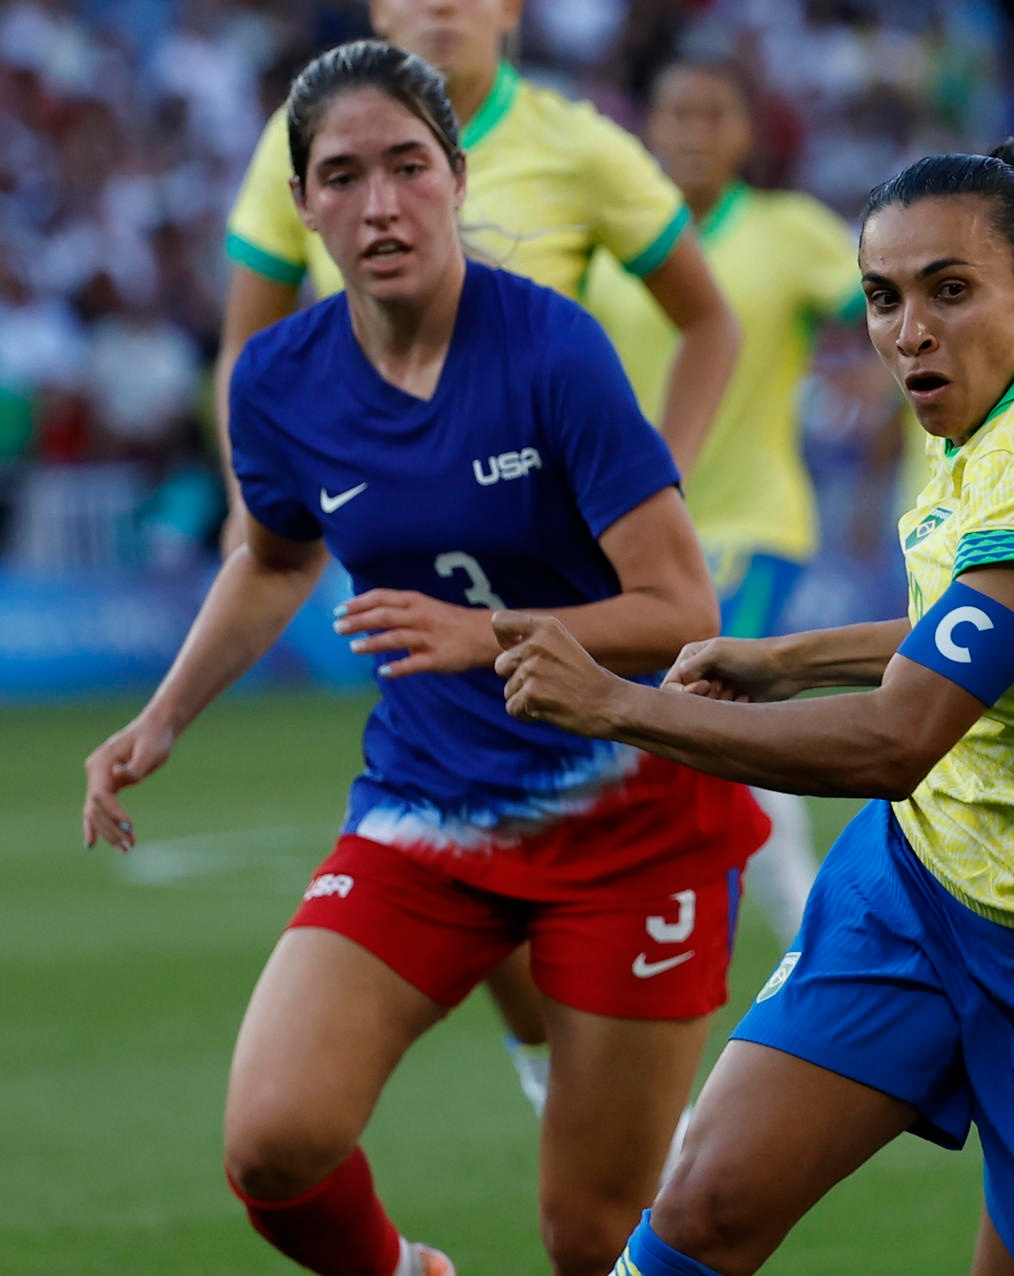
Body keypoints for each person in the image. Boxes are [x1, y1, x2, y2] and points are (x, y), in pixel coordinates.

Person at [490, 142, 1014, 1276]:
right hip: (925, 887)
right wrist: (790, 658)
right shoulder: (999, 421)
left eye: (948, 290)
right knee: (701, 1208)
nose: (909, 329)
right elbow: (988, 640)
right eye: (883, 297)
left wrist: (615, 704)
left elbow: (902, 735)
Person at [80, 42, 767, 1276]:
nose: (380, 203)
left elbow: (679, 602)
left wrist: (488, 634)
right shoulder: (279, 378)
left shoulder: (552, 351)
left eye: (408, 166)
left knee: (595, 1236)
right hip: (428, 807)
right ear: (302, 206)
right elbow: (277, 557)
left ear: (457, 174)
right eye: (342, 176)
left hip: (628, 822)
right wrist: (164, 715)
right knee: (273, 1145)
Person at [216, 0, 741, 1106]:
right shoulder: (296, 136)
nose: (436, 6)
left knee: (598, 1213)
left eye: (409, 169)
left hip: (567, 559)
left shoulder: (580, 149)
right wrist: (251, 492)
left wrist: (655, 478)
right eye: (346, 179)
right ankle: (551, 1060)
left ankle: (607, 1085)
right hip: (403, 526)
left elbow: (708, 322)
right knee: (470, 814)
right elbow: (247, 337)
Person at [620, 52, 879, 942]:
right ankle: (799, 924)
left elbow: (886, 303)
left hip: (749, 521)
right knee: (678, 733)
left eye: (713, 115)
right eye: (677, 114)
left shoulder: (787, 229)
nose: (693, 132)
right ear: (648, 128)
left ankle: (805, 931)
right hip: (629, 534)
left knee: (710, 708)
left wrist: (884, 393)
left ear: (745, 134)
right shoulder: (610, 237)